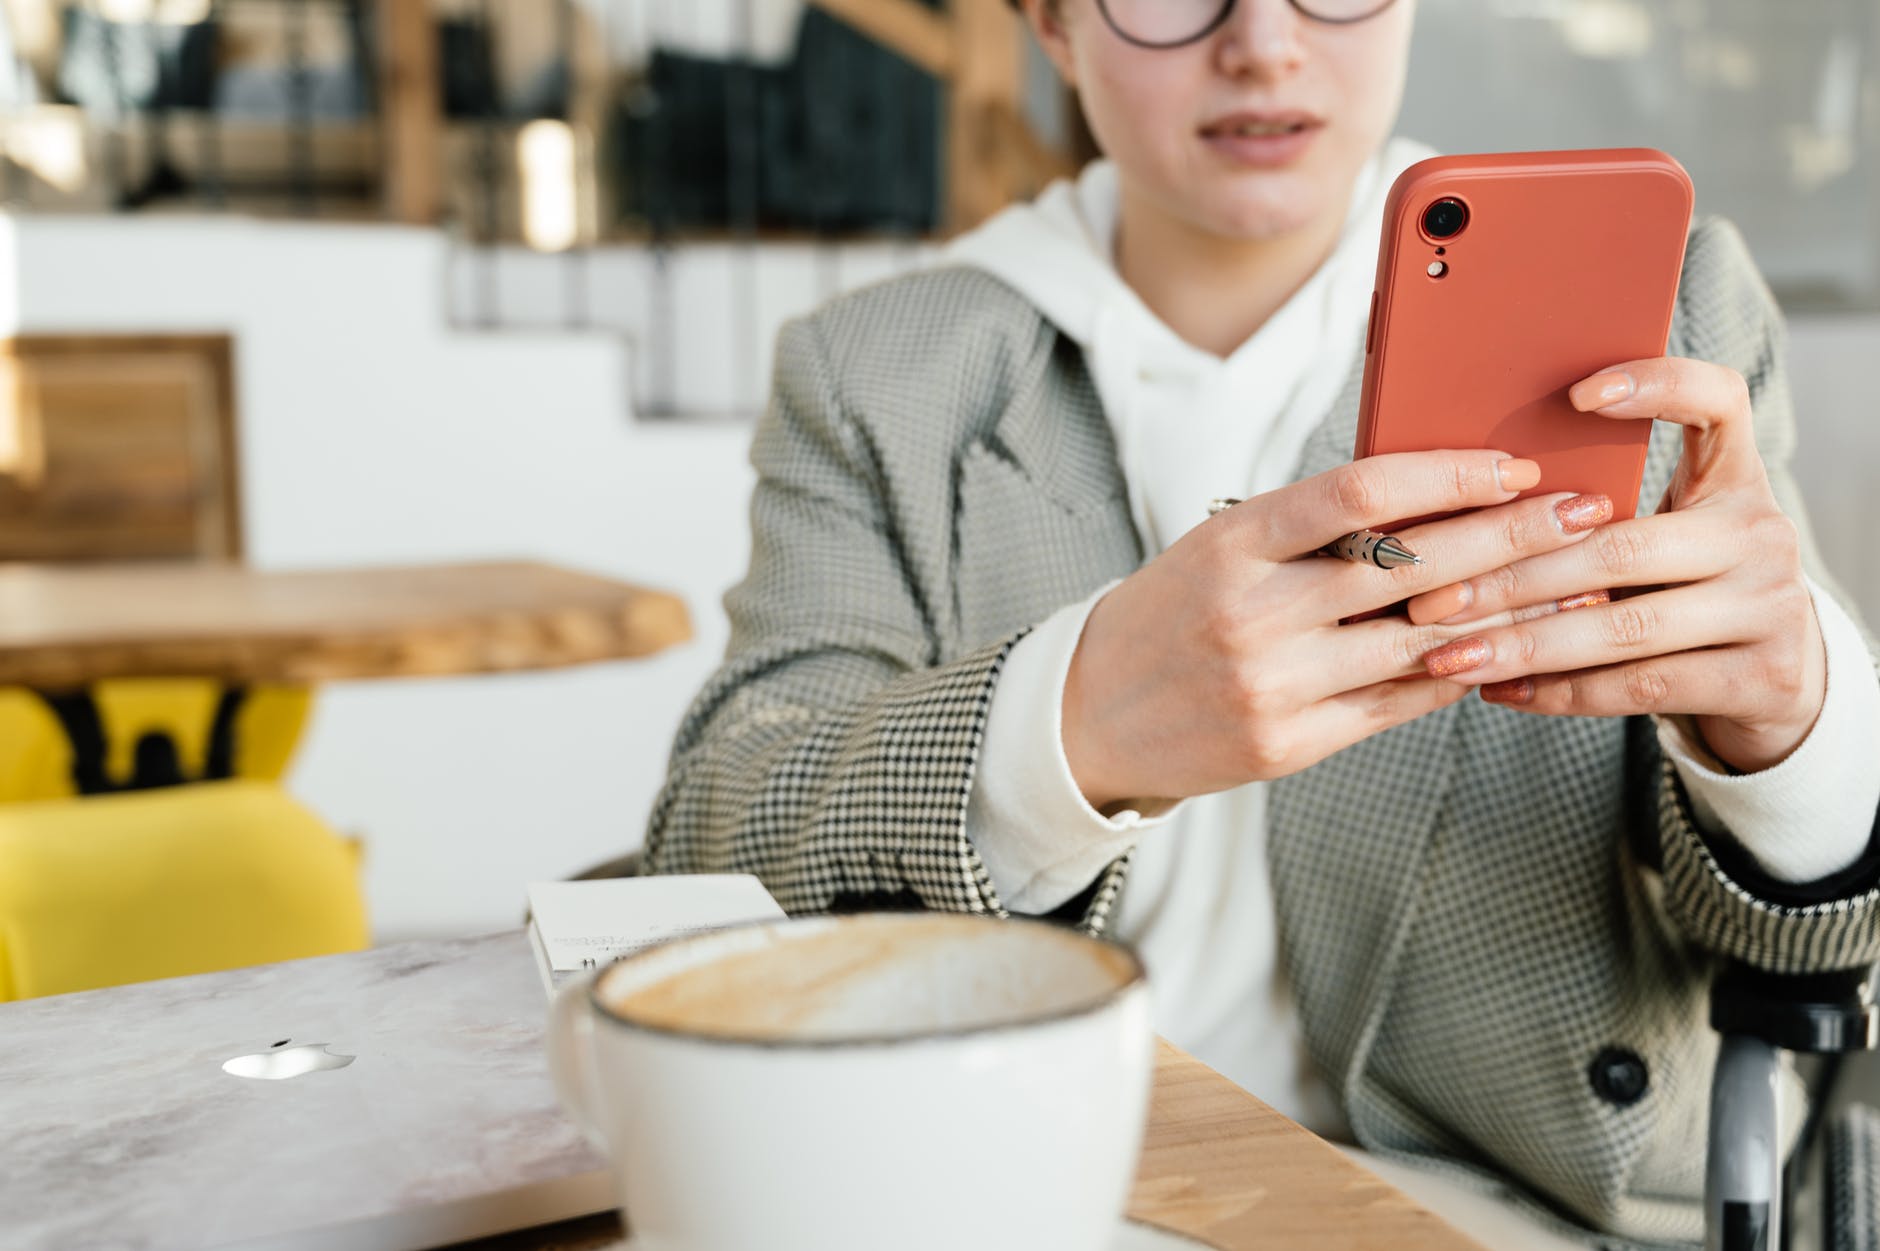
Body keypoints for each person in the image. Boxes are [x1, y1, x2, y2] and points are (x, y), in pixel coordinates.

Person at [642, 0, 1880, 1244]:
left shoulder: (1657, 317)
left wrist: (1789, 738)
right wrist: (1061, 733)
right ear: (1053, 29)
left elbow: (1819, 938)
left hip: (1507, 1203)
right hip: (1013, 1188)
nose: (1264, 44)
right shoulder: (877, 370)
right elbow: (717, 834)